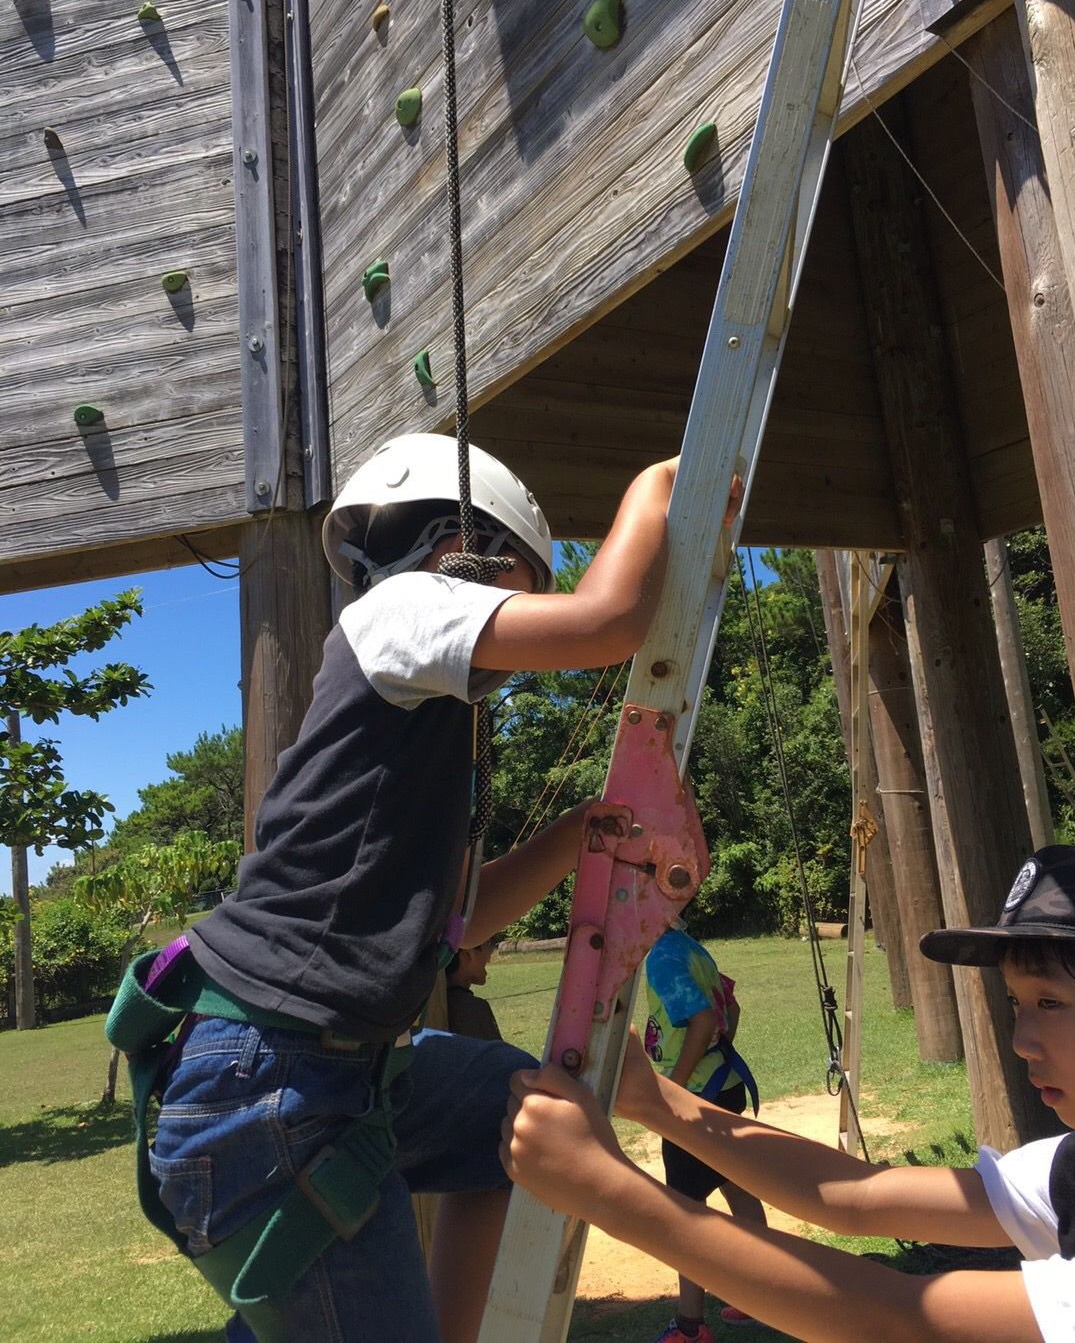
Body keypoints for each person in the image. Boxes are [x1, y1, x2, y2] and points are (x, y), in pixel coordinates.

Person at [123, 433, 721, 1343]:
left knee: (517, 1116)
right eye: (521, 585)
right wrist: (664, 481)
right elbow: (607, 620)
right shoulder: (402, 609)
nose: (522, 628)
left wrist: (576, 835)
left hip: (321, 1069)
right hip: (272, 1075)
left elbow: (462, 919)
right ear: (463, 546)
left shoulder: (427, 714)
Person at [502, 843, 1075, 1343]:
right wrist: (651, 1098)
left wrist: (605, 1191)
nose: (1021, 1039)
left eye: (1050, 1002)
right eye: (1015, 1003)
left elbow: (897, 1319)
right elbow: (859, 1198)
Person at [643, 923, 766, 1340]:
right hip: (725, 1087)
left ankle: (690, 1327)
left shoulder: (661, 957)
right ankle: (760, 1297)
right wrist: (719, 1050)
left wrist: (672, 1090)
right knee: (739, 1187)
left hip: (697, 1100)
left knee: (685, 1213)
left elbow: (700, 1021)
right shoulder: (689, 947)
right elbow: (730, 1012)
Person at [446, 938, 502, 1041]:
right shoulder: (472, 1008)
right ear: (467, 952)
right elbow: (496, 1056)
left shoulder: (435, 1003)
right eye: (487, 943)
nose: (490, 951)